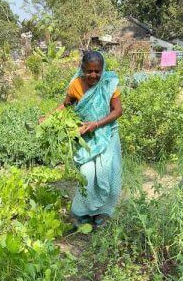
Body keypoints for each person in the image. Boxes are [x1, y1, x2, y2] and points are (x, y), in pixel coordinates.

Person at [39, 50, 123, 230]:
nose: (93, 75)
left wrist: (96, 124)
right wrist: (47, 117)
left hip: (107, 134)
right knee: (86, 174)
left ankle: (102, 213)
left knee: (107, 175)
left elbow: (117, 111)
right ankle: (83, 213)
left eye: (97, 71)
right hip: (85, 136)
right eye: (89, 71)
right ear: (82, 69)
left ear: (102, 69)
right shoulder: (75, 85)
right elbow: (65, 105)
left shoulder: (108, 83)